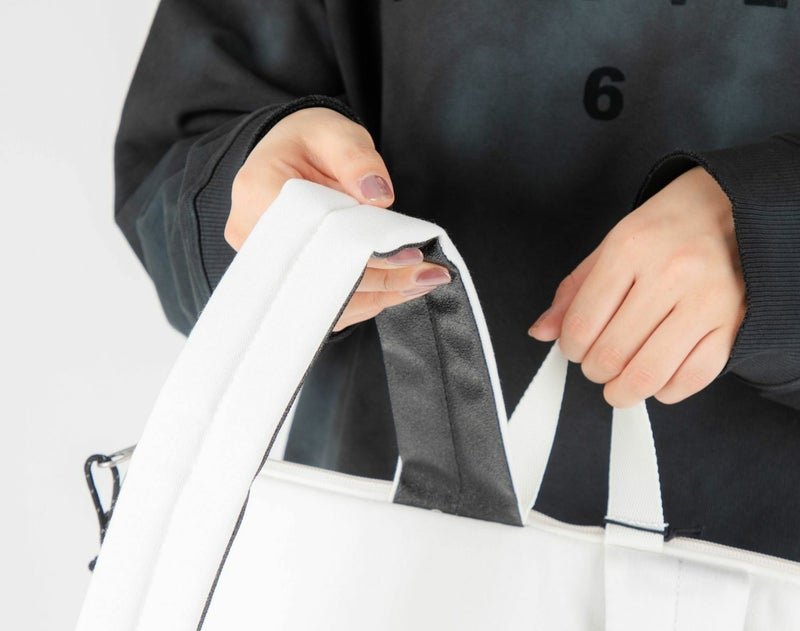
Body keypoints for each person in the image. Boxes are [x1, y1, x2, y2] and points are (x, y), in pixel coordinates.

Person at [114, 0, 800, 561]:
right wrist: (258, 204)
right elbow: (180, 158)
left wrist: (773, 241)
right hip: (367, 575)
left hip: (757, 597)